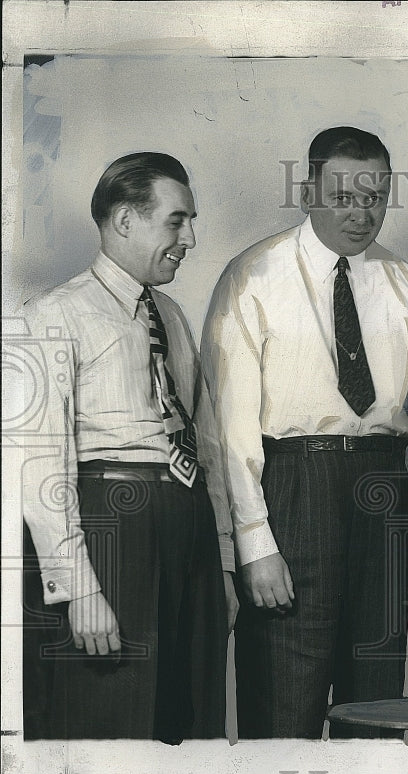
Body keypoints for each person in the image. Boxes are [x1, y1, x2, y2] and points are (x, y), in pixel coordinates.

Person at [202, 127, 408, 739]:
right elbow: (229, 427)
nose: (362, 214)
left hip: (384, 491)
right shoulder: (253, 275)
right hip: (293, 491)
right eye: (343, 196)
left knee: (377, 704)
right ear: (308, 191)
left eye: (376, 196)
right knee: (284, 700)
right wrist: (254, 544)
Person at [20, 152, 238, 742]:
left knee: (187, 724)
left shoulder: (170, 315)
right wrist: (77, 585)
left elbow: (206, 443)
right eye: (176, 220)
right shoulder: (52, 316)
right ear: (124, 221)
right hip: (110, 530)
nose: (190, 238)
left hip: (186, 528)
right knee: (110, 723)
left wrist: (219, 562)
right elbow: (38, 463)